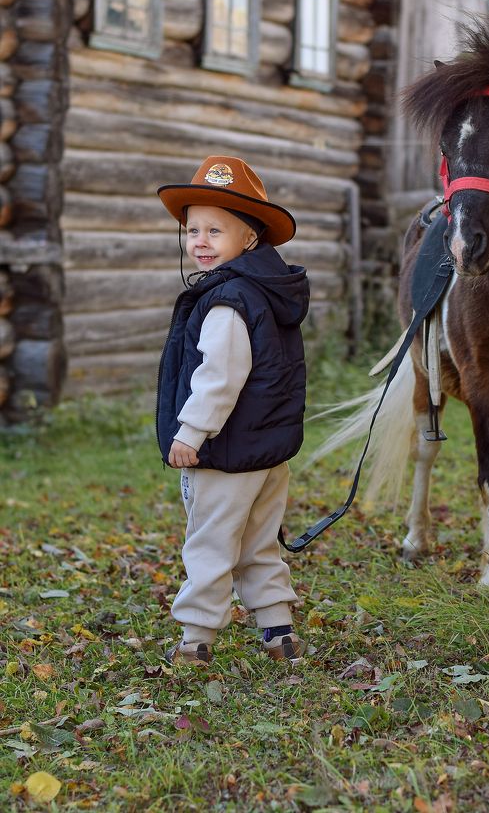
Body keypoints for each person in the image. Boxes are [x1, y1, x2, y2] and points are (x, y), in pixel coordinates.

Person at [156, 155, 310, 665]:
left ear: (249, 240)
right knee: (259, 542)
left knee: (211, 543)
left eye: (215, 230)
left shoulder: (228, 301)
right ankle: (278, 631)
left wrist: (191, 432)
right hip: (266, 453)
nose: (199, 240)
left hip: (225, 452)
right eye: (193, 229)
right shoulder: (269, 291)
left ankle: (196, 638)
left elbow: (220, 377)